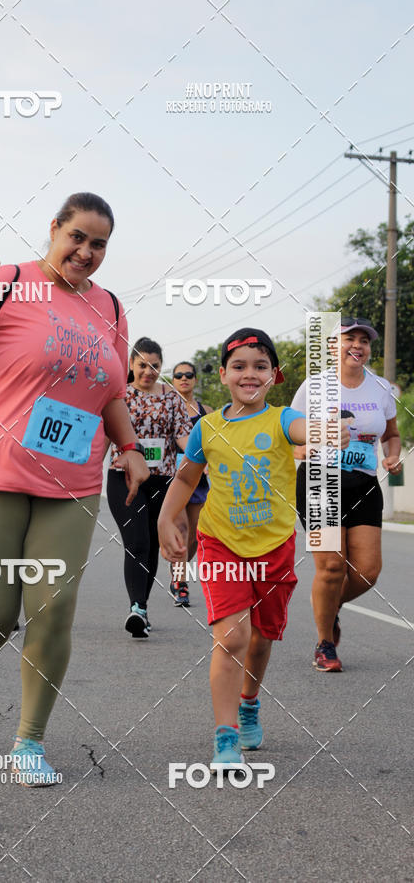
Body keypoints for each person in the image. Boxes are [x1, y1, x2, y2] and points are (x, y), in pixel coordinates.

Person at [0, 192, 148, 785]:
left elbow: (111, 390)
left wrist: (129, 449)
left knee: (51, 609)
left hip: (70, 478)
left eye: (99, 244)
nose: (87, 252)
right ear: (54, 229)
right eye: (78, 237)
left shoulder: (113, 309)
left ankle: (29, 742)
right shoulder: (3, 284)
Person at [158, 328, 350, 767]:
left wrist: (326, 430)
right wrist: (166, 517)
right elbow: (187, 477)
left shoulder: (281, 419)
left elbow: (305, 429)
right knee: (232, 637)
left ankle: (249, 704)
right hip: (221, 542)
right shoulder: (206, 427)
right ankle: (224, 736)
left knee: (261, 639)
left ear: (274, 376)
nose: (250, 374)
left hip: (274, 546)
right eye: (240, 366)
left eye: (260, 366)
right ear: (223, 374)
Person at [292, 317, 402, 672]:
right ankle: (325, 644)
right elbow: (291, 437)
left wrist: (393, 455)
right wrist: (308, 446)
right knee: (332, 566)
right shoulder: (314, 386)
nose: (357, 345)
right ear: (333, 346)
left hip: (364, 482)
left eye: (364, 340)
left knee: (368, 571)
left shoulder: (381, 388)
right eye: (348, 338)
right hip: (321, 480)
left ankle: (330, 606)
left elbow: (392, 434)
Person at [107, 337, 193, 637]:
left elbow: (183, 437)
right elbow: (103, 435)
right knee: (137, 542)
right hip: (125, 479)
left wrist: (203, 457)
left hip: (162, 480)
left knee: (153, 544)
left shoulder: (171, 398)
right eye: (142, 365)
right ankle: (137, 608)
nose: (149, 371)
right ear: (131, 365)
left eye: (155, 366)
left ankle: (141, 609)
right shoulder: (119, 397)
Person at [170, 361, 214, 606]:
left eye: (188, 375)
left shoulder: (206, 410)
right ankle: (180, 583)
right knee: (182, 528)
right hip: (173, 476)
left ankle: (179, 570)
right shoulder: (167, 406)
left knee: (196, 534)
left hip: (199, 477)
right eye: (179, 375)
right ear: (173, 380)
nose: (184, 378)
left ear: (195, 379)